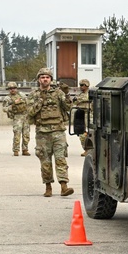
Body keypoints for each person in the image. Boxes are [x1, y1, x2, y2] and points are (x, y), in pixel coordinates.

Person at [28, 67, 74, 197]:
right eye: (42, 77)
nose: (45, 79)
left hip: (58, 131)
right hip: (42, 132)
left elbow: (68, 107)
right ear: (38, 80)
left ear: (51, 79)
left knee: (61, 159)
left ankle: (64, 186)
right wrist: (41, 101)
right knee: (45, 161)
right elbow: (30, 112)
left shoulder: (58, 93)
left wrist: (67, 94)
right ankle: (48, 187)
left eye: (47, 77)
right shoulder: (34, 95)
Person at [2, 81, 31, 156]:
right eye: (11, 88)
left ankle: (25, 149)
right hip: (17, 117)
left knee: (26, 134)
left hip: (25, 116)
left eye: (14, 88)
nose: (13, 90)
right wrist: (14, 104)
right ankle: (16, 150)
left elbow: (28, 103)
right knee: (17, 134)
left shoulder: (22, 95)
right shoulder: (7, 98)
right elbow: (4, 109)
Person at [72, 79, 92, 156]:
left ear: (86, 85)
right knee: (82, 133)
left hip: (89, 114)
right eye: (80, 85)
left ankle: (89, 150)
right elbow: (75, 102)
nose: (80, 87)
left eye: (82, 85)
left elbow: (85, 99)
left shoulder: (90, 94)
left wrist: (79, 100)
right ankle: (86, 149)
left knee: (89, 132)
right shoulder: (80, 94)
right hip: (81, 114)